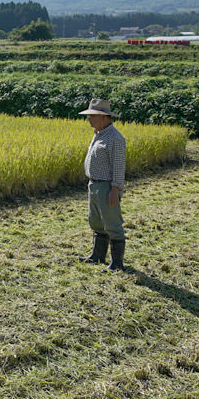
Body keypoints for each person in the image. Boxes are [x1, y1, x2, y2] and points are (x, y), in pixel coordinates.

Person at [77, 98, 127, 272]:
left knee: (113, 225)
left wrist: (115, 189)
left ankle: (117, 264)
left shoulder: (116, 139)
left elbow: (119, 167)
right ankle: (97, 256)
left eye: (92, 116)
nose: (89, 119)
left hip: (107, 187)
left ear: (104, 117)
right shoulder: (98, 134)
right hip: (94, 185)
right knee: (96, 222)